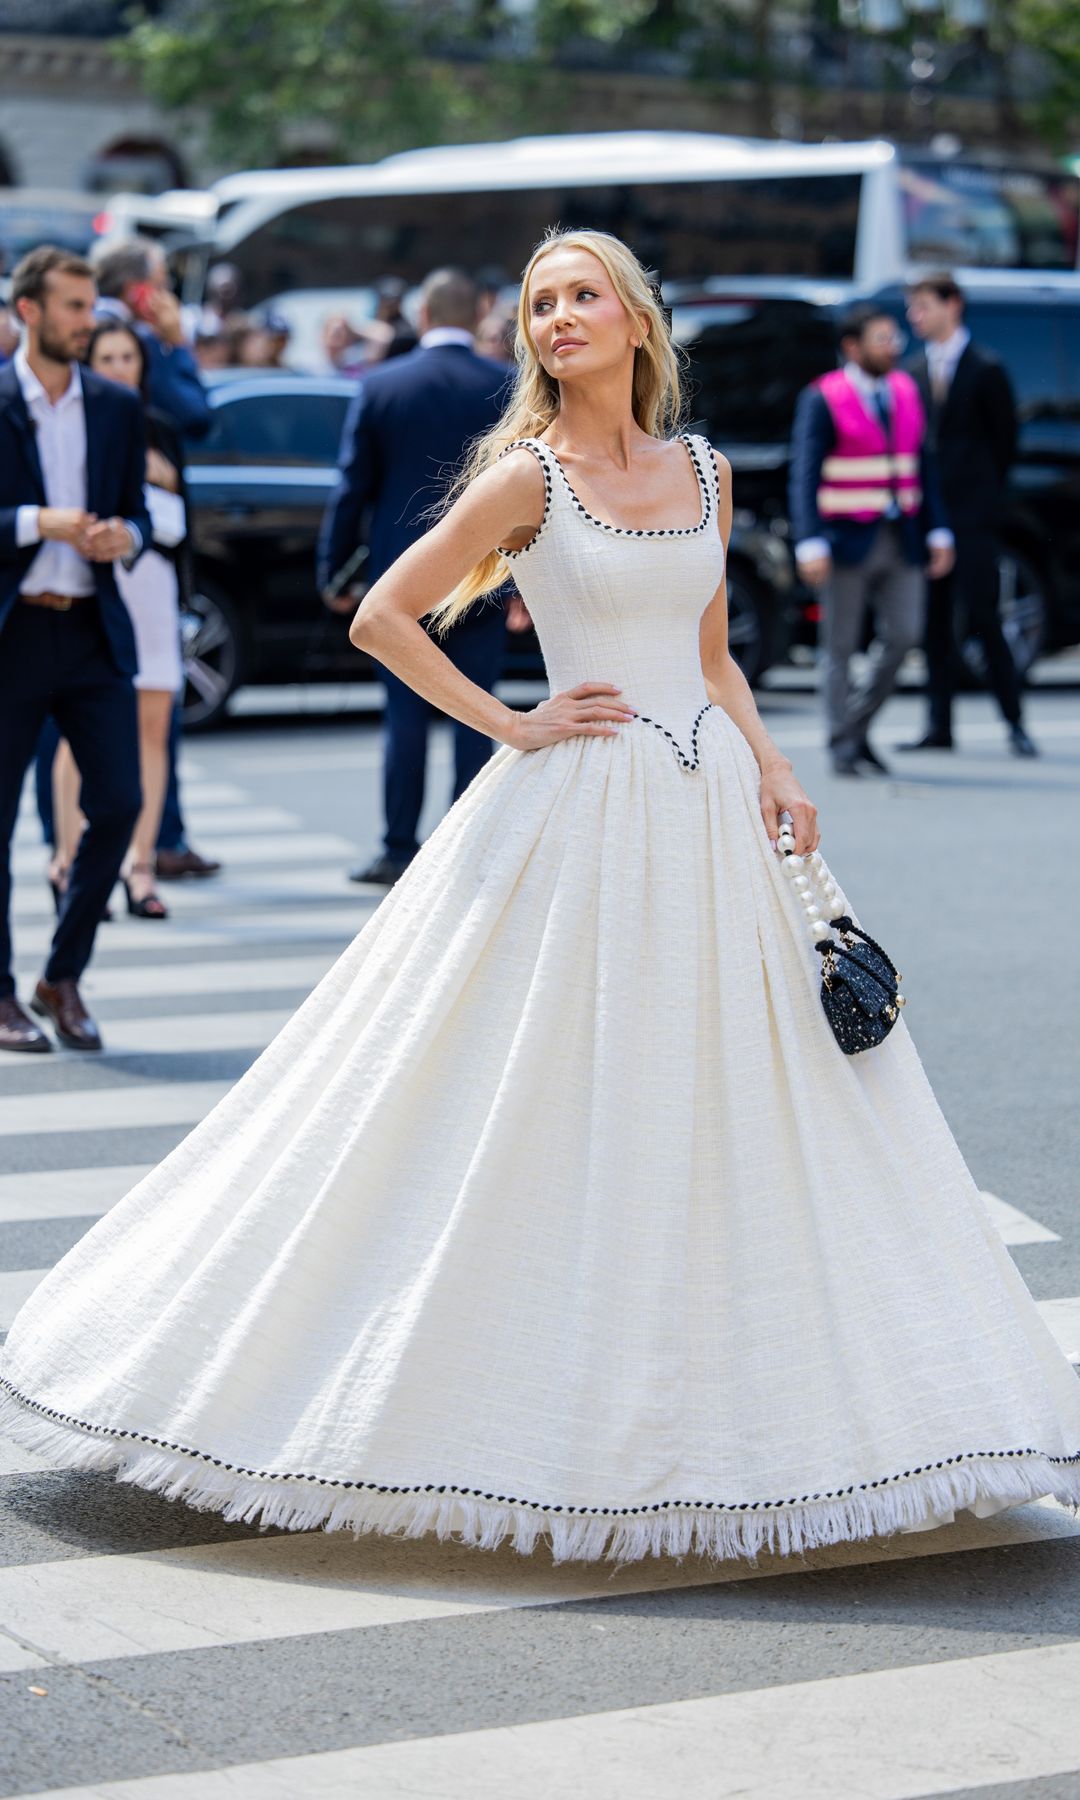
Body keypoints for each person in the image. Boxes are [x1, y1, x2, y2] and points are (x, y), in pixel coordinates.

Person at [4, 227, 1078, 1566]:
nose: (560, 315)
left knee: (763, 1105)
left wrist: (777, 764)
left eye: (583, 295)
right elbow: (384, 616)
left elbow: (712, 654)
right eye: (540, 302)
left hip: (713, 816)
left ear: (635, 320)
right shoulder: (529, 477)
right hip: (580, 807)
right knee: (539, 1094)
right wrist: (513, 726)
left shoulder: (704, 468)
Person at [0, 246, 149, 1054]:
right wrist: (37, 522)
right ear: (30, 311)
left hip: (92, 630)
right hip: (11, 631)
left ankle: (61, 976)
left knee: (121, 805)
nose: (87, 322)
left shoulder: (115, 406)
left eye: (90, 307)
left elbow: (141, 514)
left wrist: (123, 534)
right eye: (73, 307)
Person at [319, 266, 513, 885]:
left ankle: (397, 846)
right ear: (475, 315)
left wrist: (334, 570)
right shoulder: (506, 385)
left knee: (404, 716)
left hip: (402, 578)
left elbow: (352, 489)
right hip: (485, 573)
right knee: (475, 712)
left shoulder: (382, 386)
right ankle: (468, 846)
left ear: (424, 317)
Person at [46, 321, 187, 922]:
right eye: (107, 356)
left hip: (154, 594)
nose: (120, 365)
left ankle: (141, 865)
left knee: (153, 732)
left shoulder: (158, 429)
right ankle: (68, 861)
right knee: (82, 733)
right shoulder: (74, 425)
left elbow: (182, 528)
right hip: (94, 592)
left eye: (129, 356)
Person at [789, 305, 955, 777]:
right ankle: (845, 746)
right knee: (839, 647)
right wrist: (810, 542)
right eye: (882, 339)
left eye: (894, 339)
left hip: (901, 534)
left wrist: (938, 528)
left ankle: (853, 728)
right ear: (852, 347)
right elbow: (804, 474)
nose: (893, 347)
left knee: (905, 635)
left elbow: (924, 465)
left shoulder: (905, 389)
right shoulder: (824, 397)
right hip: (844, 539)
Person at [900, 272, 1037, 758]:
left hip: (973, 517)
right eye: (912, 308)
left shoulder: (986, 367)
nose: (916, 316)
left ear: (952, 305)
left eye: (924, 306)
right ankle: (939, 726)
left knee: (983, 616)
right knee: (934, 623)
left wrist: (981, 504)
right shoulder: (912, 370)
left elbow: (1005, 446)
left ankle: (1015, 722)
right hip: (927, 517)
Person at [91, 238, 212, 441]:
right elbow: (196, 417)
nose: (167, 295)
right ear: (135, 292)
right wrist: (178, 344)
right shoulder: (137, 341)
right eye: (161, 285)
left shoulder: (84, 326)